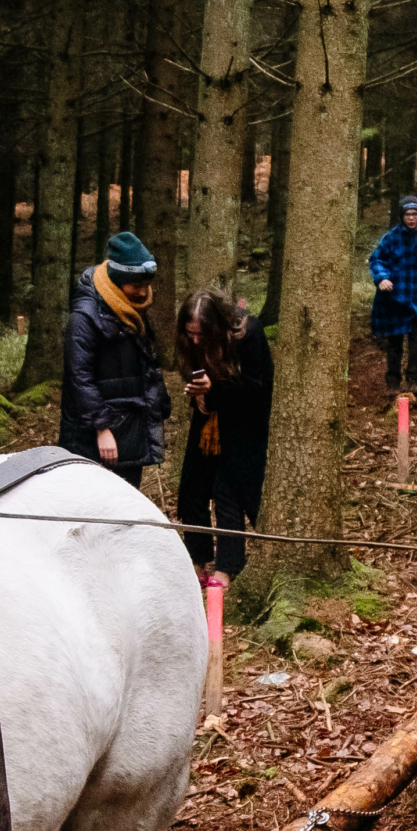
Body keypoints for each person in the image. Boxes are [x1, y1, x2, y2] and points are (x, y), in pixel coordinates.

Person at [173, 291, 273, 584]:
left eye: (200, 334)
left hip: (243, 423)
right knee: (191, 489)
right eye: (189, 334)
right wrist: (198, 396)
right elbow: (195, 374)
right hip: (208, 420)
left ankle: (227, 567)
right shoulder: (190, 341)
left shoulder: (248, 334)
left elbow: (259, 390)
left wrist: (213, 390)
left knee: (229, 490)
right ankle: (198, 558)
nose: (194, 340)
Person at [58, 231, 170, 487]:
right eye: (136, 286)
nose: (143, 293)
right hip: (97, 439)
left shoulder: (129, 309)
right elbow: (80, 378)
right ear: (118, 283)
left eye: (146, 285)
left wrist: (158, 404)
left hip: (129, 430)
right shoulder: (84, 318)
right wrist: (102, 428)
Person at [369, 195, 417, 396]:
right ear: (402, 216)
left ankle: (415, 382)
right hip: (394, 299)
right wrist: (381, 278)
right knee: (394, 343)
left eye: (415, 214)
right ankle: (392, 384)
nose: (411, 218)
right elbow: (376, 260)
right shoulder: (391, 238)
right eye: (407, 214)